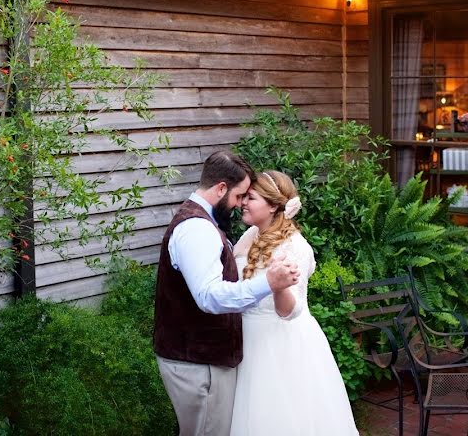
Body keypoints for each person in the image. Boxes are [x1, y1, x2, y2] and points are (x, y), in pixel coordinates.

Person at [153, 151, 301, 436]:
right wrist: (267, 283)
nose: (239, 204)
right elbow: (209, 296)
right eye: (238, 195)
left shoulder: (202, 222)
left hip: (200, 359)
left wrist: (277, 220)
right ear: (221, 188)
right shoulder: (197, 228)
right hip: (198, 363)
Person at [230, 170, 358, 436]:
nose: (243, 202)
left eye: (251, 197)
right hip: (245, 340)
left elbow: (290, 311)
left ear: (274, 205)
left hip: (280, 345)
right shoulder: (249, 235)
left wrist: (278, 287)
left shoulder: (295, 248)